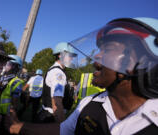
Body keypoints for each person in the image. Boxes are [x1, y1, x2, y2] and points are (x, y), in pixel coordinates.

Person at [9, 17, 158, 135]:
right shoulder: (88, 104)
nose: (96, 57)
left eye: (108, 49)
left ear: (141, 61)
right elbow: (63, 130)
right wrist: (19, 127)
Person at [37, 42, 77, 123]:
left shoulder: (54, 69)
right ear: (60, 55)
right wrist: (61, 124)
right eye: (69, 55)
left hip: (48, 114)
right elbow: (56, 102)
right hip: (52, 117)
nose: (72, 59)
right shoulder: (58, 73)